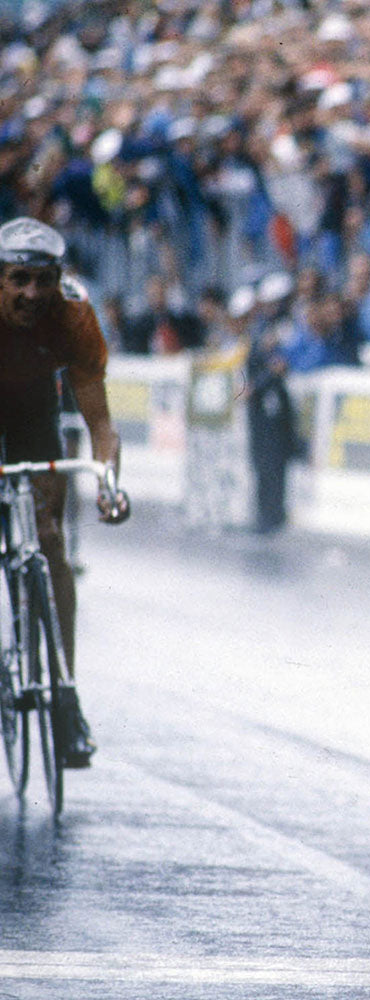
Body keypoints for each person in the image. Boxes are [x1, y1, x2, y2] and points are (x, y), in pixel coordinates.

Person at [0, 217, 130, 768]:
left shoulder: (74, 315)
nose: (33, 293)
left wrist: (109, 483)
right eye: (19, 279)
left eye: (44, 280)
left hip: (34, 414)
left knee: (50, 544)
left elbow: (100, 423)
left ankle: (65, 698)